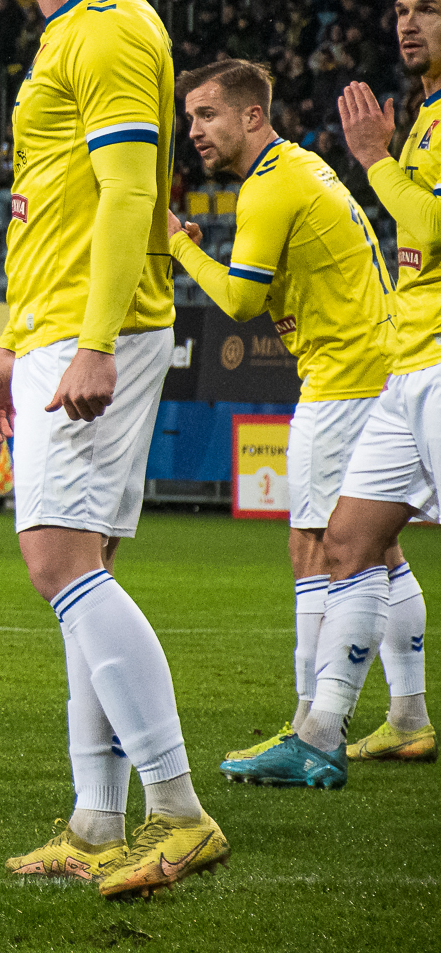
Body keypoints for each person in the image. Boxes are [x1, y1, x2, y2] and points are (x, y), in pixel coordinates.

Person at [0, 0, 228, 898]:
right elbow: (57, 201)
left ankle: (179, 811)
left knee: (58, 561)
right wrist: (10, 339)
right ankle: (94, 818)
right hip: (56, 324)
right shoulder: (73, 33)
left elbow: (130, 197)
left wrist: (91, 339)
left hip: (94, 328)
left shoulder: (112, 27)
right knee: (80, 567)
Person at [164, 60, 415, 782]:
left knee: (316, 545)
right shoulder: (302, 167)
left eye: (207, 114)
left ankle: (312, 726)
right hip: (377, 365)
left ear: (252, 116)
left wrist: (179, 244)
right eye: (189, 118)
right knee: (377, 546)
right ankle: (408, 715)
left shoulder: (271, 185)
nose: (194, 130)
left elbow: (241, 303)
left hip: (344, 380)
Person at [255, 0, 441, 786]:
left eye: (428, 9)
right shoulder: (426, 119)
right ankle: (324, 732)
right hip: (408, 366)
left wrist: (374, 158)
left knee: (349, 544)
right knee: (349, 542)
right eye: (402, 10)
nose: (408, 24)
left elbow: (430, 226)